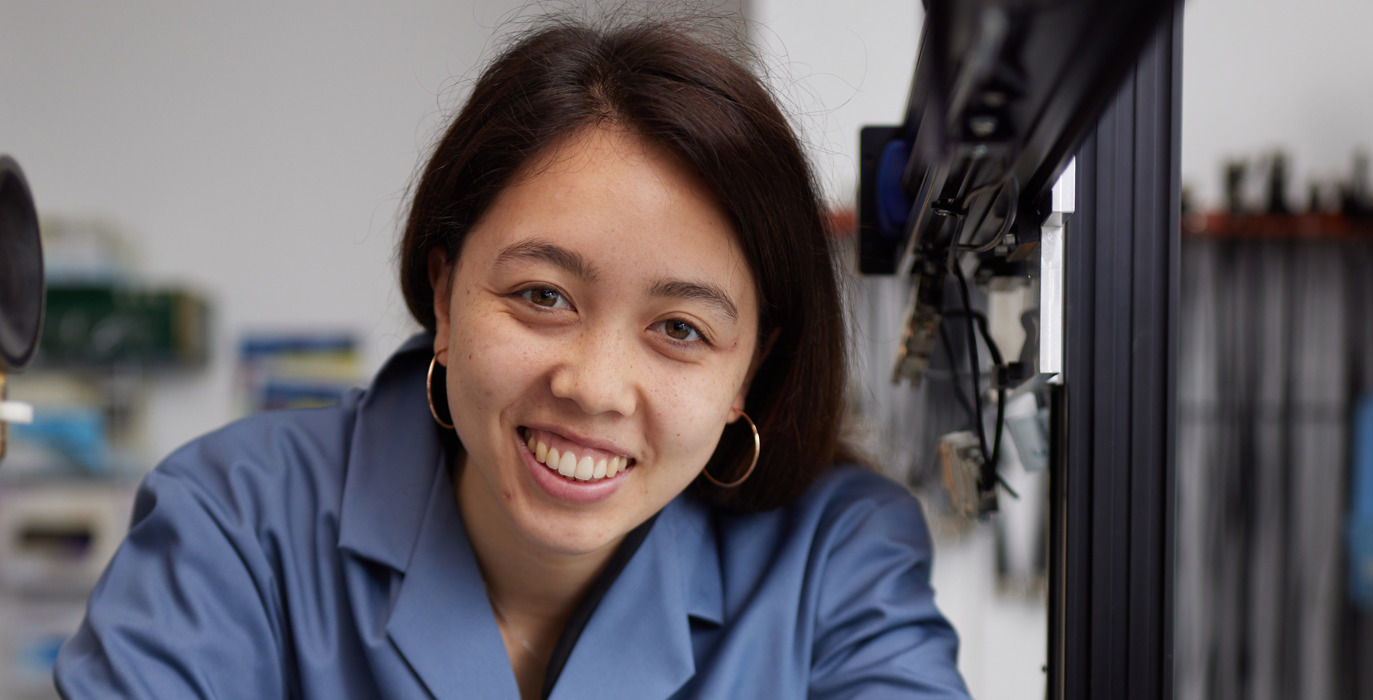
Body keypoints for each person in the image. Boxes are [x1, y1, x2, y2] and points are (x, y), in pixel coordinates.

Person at [54, 16, 971, 700]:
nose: (594, 387)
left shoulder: (840, 556)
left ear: (751, 372)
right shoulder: (233, 523)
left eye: (681, 329)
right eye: (543, 297)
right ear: (445, 294)